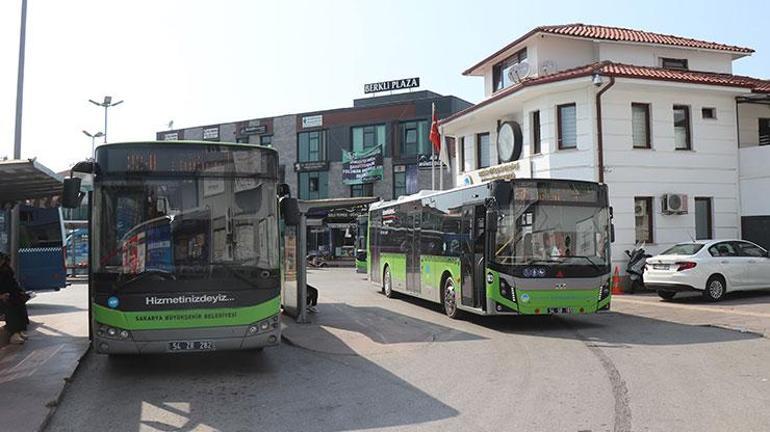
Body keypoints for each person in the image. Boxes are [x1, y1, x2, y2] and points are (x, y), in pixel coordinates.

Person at [0, 252, 30, 344]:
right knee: (10, 305)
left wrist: (20, 292)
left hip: (7, 295)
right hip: (2, 298)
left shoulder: (6, 270)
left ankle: (19, 330)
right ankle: (14, 333)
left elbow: (13, 284)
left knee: (18, 301)